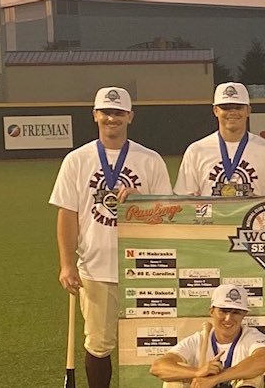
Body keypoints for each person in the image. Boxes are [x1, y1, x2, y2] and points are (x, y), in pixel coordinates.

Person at [51, 86, 172, 388]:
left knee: (150, 342)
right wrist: (67, 264)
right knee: (99, 344)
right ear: (95, 115)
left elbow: (168, 213)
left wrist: (141, 201)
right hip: (96, 269)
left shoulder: (150, 160)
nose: (112, 118)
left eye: (118, 112)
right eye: (106, 112)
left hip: (145, 267)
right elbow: (67, 214)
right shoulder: (77, 160)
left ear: (130, 116)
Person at [175, 82, 265, 196]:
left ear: (248, 110)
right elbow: (186, 199)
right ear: (215, 110)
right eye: (226, 107)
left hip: (254, 209)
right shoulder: (196, 151)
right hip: (211, 209)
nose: (232, 112)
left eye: (238, 107)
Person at [151, 284, 265, 387]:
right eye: (223, 311)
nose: (228, 318)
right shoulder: (198, 339)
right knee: (174, 380)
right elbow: (158, 367)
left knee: (253, 376)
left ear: (244, 315)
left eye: (236, 312)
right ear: (212, 311)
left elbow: (263, 360)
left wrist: (216, 379)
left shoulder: (253, 337)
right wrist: (197, 372)